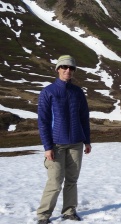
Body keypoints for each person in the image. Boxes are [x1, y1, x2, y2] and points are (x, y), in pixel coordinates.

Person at [36, 55, 91, 224]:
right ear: (58, 69)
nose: (68, 70)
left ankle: (69, 211)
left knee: (72, 180)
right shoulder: (48, 92)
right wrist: (47, 146)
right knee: (55, 181)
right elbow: (43, 121)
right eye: (65, 67)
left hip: (76, 143)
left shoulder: (78, 92)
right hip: (56, 144)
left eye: (71, 68)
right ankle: (43, 215)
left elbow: (84, 117)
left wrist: (87, 140)